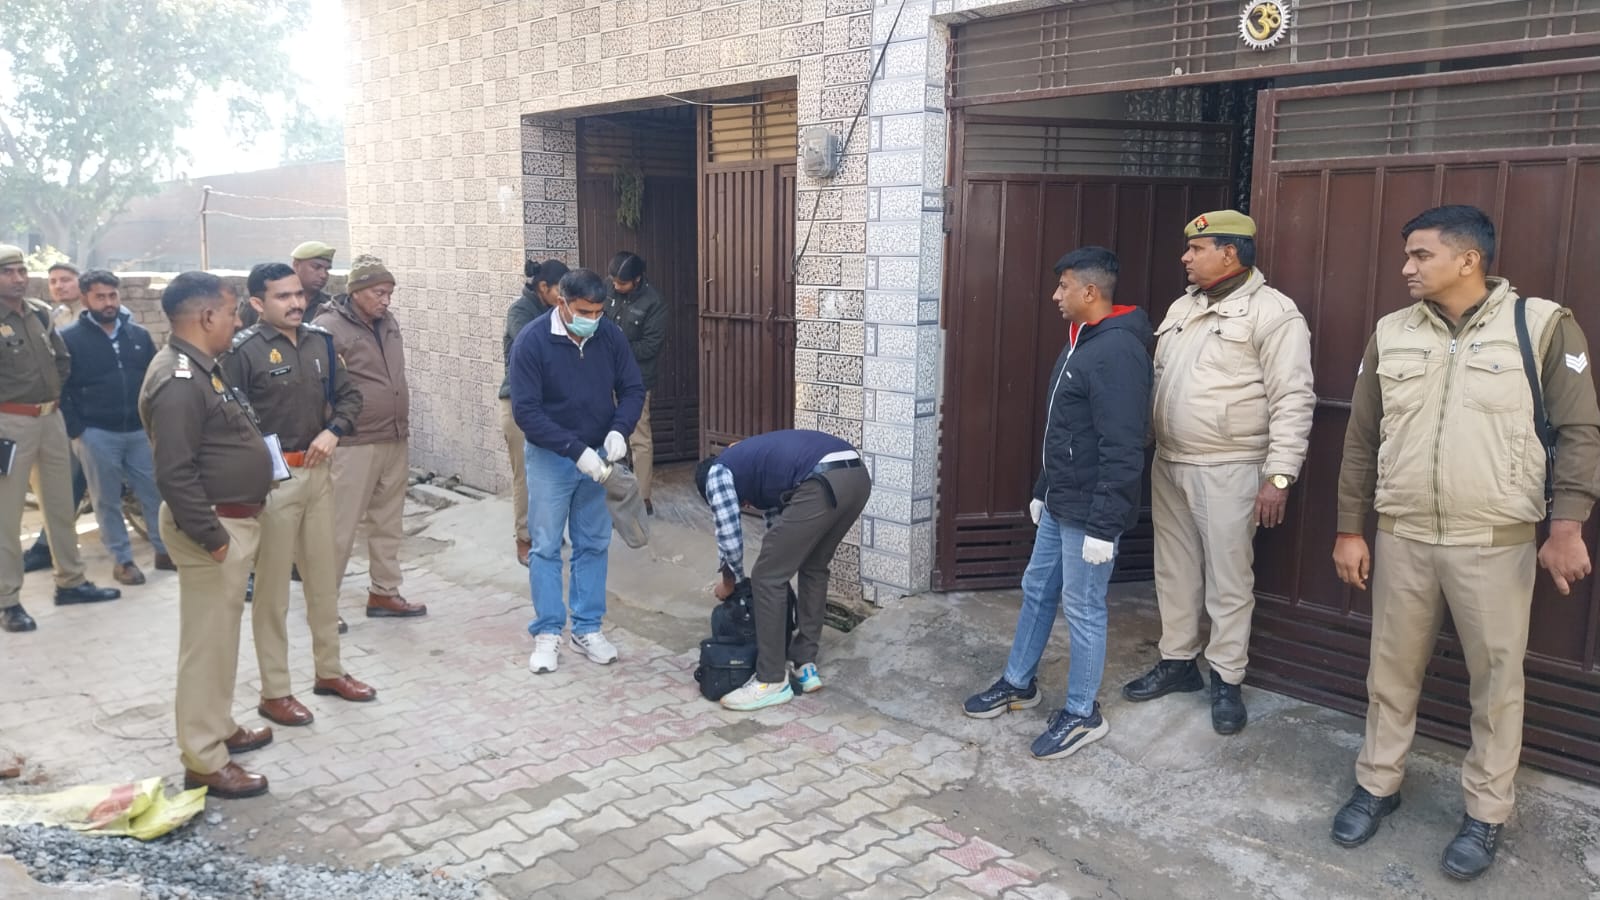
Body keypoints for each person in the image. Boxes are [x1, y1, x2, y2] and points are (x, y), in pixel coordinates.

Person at [1328, 205, 1600, 880]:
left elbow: (1579, 432)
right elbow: (1362, 439)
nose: (1407, 268)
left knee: (1497, 685)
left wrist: (1567, 524)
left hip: (1495, 541)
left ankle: (1485, 813)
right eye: (1407, 255)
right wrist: (1350, 528)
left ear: (1468, 259)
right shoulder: (1392, 332)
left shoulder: (1540, 325)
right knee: (1389, 674)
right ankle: (1377, 784)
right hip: (1403, 536)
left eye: (1420, 255)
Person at [1121, 209, 1315, 735]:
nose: (1185, 257)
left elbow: (1293, 398)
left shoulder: (1274, 314)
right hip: (1170, 462)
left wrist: (1279, 476)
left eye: (1196, 249)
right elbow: (1161, 379)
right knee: (1174, 570)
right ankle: (1178, 661)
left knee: (1229, 580)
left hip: (1229, 466)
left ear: (1230, 253)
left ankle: (1227, 678)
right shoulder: (1183, 306)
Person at [961, 247, 1152, 758]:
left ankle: (1083, 712)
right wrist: (1042, 489)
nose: (1055, 295)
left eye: (1063, 286)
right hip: (1062, 499)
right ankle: (1018, 681)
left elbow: (1123, 445)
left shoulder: (1117, 351)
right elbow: (1064, 429)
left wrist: (1104, 525)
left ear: (1090, 290)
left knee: (1083, 607)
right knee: (1037, 588)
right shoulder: (1080, 341)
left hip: (1091, 510)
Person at [138, 270, 274, 798]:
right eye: (233, 312)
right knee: (205, 648)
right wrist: (215, 539)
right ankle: (203, 759)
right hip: (213, 530)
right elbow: (174, 473)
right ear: (207, 315)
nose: (237, 322)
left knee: (220, 641)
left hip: (229, 523)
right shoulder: (178, 379)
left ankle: (219, 726)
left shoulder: (200, 368)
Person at [225, 263, 373, 730]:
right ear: (257, 303)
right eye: (282, 296)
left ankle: (330, 671)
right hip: (273, 482)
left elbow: (350, 397)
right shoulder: (242, 352)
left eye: (297, 294)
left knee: (322, 582)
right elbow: (230, 420)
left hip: (318, 473)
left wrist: (334, 431)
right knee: (272, 594)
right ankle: (275, 692)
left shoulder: (319, 342)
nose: (295, 303)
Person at [511, 267, 644, 674]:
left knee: (594, 543)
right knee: (547, 545)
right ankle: (548, 632)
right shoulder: (532, 341)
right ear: (562, 303)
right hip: (551, 457)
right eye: (585, 311)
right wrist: (574, 450)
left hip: (599, 456)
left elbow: (632, 388)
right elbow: (526, 412)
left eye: (599, 311)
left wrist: (620, 430)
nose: (593, 319)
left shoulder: (609, 336)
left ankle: (586, 628)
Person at [694, 428, 873, 711]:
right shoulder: (757, 464)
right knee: (813, 566)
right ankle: (804, 662)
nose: (744, 505)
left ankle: (771, 680)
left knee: (765, 577)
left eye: (740, 502)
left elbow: (729, 537)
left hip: (822, 481)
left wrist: (730, 583)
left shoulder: (717, 473)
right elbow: (778, 530)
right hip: (857, 477)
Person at [0, 245, 121, 633]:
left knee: (60, 505)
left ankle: (71, 581)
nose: (18, 278)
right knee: (6, 517)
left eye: (21, 271)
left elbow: (62, 360)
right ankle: (8, 601)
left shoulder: (38, 312)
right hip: (9, 424)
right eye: (8, 272)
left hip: (50, 418)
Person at [314, 254, 426, 619]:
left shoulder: (387, 322)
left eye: (390, 293)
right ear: (357, 291)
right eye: (379, 292)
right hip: (353, 443)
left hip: (394, 436)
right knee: (338, 528)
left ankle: (384, 592)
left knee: (388, 523)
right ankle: (322, 605)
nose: (386, 300)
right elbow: (316, 387)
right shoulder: (327, 327)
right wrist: (331, 429)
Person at [58, 269, 170, 585]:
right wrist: (78, 429)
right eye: (100, 297)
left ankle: (165, 551)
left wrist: (153, 424)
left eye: (112, 295)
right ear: (85, 299)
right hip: (95, 433)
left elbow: (153, 380)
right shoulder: (68, 339)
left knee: (155, 492)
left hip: (138, 431)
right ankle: (123, 561)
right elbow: (61, 387)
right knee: (106, 500)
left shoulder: (138, 335)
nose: (108, 303)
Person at [22, 262, 90, 574]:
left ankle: (45, 548)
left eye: (66, 280)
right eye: (53, 281)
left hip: (88, 412)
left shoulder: (94, 315)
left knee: (68, 482)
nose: (59, 286)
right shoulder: (52, 317)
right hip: (58, 407)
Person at [501, 258, 566, 566]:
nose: (564, 298)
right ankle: (524, 538)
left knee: (552, 471)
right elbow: (538, 348)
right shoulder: (520, 312)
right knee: (525, 476)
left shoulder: (554, 311)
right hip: (519, 403)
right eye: (560, 291)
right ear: (543, 287)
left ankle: (548, 529)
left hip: (549, 404)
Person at [604, 251, 667, 516]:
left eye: (622, 283)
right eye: (613, 281)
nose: (616, 286)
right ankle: (614, 493)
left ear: (637, 279)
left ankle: (643, 497)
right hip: (605, 377)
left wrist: (617, 348)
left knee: (639, 437)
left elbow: (651, 346)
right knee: (609, 434)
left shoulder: (654, 302)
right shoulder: (607, 290)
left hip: (636, 380)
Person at [291, 241, 338, 323]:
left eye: (327, 269)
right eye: (316, 267)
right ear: (296, 265)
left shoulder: (331, 306)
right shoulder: (275, 300)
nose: (323, 275)